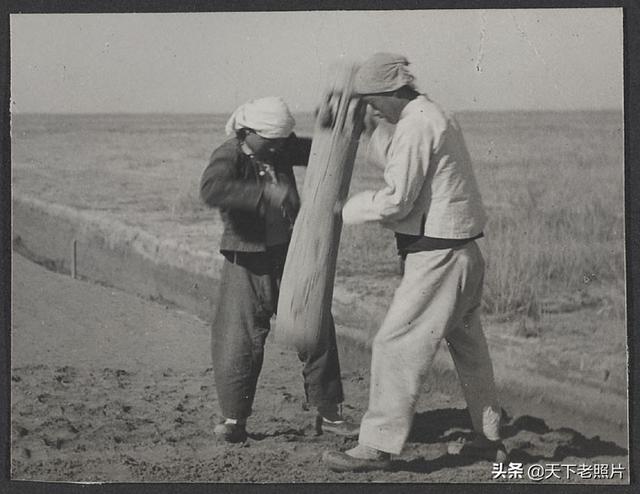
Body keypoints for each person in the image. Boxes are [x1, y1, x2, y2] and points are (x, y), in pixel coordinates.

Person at [322, 53, 505, 472]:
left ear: (390, 93)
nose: (370, 109)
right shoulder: (432, 115)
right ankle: (488, 439)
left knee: (395, 344)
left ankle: (377, 446)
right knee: (470, 349)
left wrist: (344, 207)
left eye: (371, 102)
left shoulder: (417, 124)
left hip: (439, 258)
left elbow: (397, 198)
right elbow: (406, 160)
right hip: (461, 255)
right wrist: (370, 129)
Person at [200, 96, 357, 443]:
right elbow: (211, 188)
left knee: (316, 326)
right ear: (250, 133)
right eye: (272, 143)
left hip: (290, 253)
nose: (279, 149)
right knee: (237, 338)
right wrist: (265, 193)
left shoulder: (279, 148)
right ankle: (233, 420)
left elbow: (321, 151)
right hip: (247, 259)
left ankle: (329, 412)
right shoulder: (230, 154)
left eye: (282, 142)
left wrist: (332, 125)